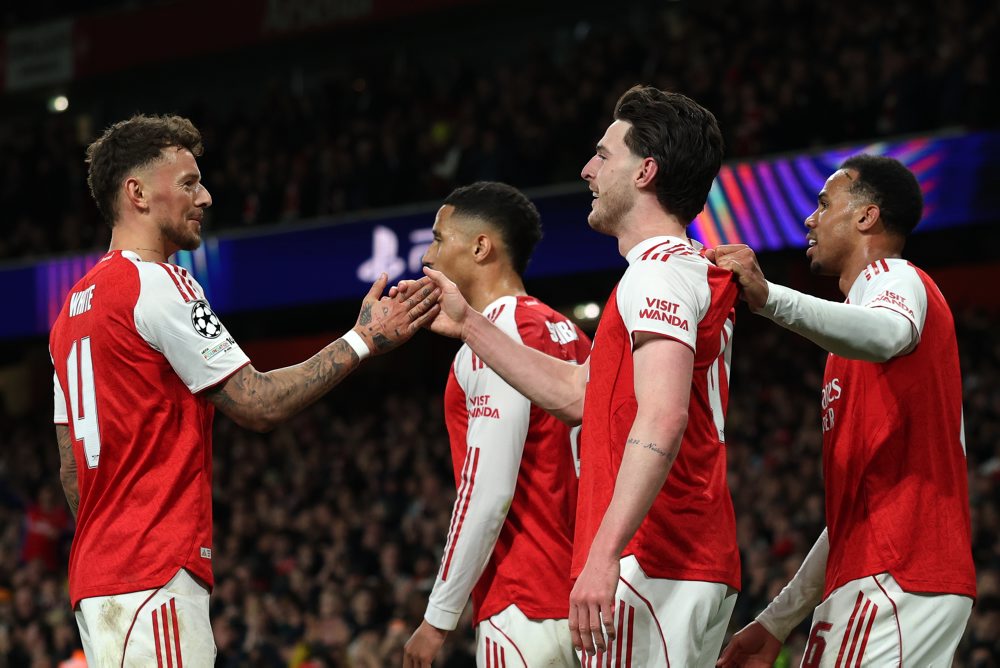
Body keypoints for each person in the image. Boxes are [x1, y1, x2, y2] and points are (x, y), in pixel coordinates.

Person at [48, 114, 439, 666]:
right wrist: (363, 340)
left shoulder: (68, 314)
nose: (205, 197)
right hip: (154, 573)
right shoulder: (158, 282)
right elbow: (259, 403)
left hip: (97, 584)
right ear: (137, 193)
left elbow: (72, 468)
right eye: (188, 183)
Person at [404, 85, 741, 665]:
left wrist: (604, 553)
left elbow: (663, 416)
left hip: (654, 557)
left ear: (645, 173)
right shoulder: (677, 270)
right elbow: (577, 395)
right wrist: (469, 325)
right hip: (681, 560)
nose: (588, 169)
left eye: (604, 155)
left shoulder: (656, 275)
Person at [713, 155, 975, 667]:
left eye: (823, 203)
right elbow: (850, 516)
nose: (809, 219)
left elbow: (889, 331)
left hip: (897, 574)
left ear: (866, 217)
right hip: (877, 575)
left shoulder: (895, 275)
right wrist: (777, 620)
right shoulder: (847, 339)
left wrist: (768, 298)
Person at [402, 182, 591, 667]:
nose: (427, 255)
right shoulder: (572, 334)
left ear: (480, 247)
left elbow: (487, 489)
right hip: (587, 602)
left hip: (525, 601)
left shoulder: (497, 334)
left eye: (438, 239)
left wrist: (437, 619)